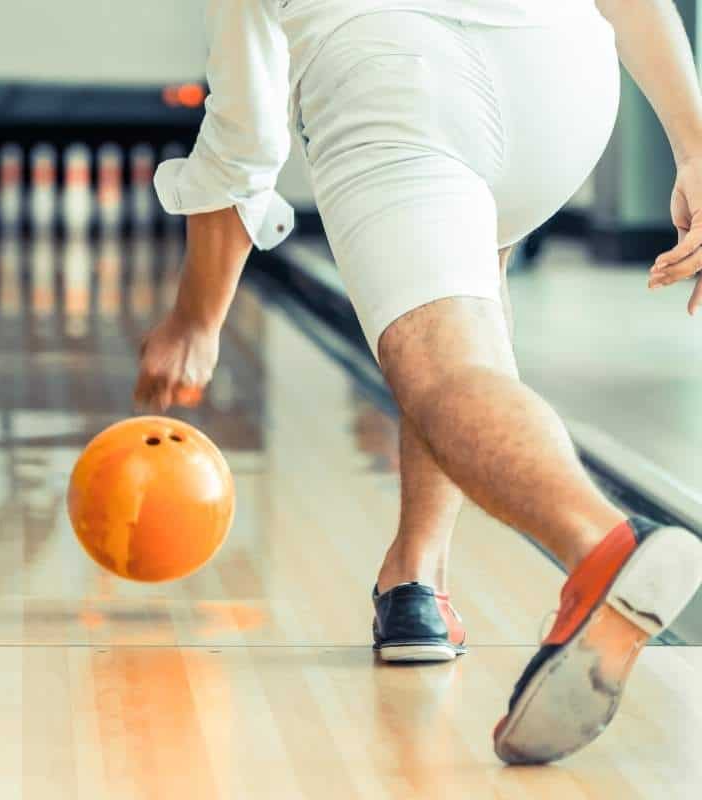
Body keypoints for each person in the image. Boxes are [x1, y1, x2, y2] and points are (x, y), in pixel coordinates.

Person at [134, 0, 702, 765]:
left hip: (397, 74)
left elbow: (246, 137)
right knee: (456, 309)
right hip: (563, 77)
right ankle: (416, 580)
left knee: (446, 364)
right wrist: (696, 146)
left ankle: (601, 545)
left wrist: (196, 320)